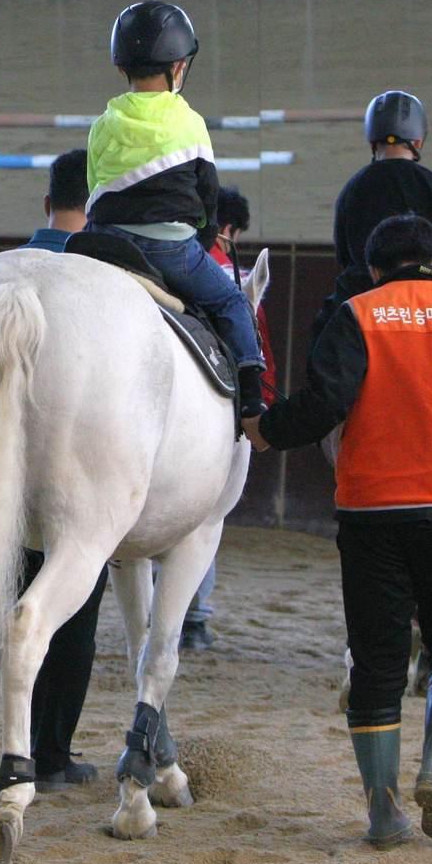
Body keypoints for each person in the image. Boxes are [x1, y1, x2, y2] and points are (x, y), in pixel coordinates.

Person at [244, 215, 432, 848]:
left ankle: (383, 812)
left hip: (372, 513)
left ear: (375, 268)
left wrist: (268, 430)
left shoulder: (359, 314)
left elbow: (326, 401)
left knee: (378, 663)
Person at [85, 0, 266, 419]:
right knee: (232, 304)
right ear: (178, 67)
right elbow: (207, 197)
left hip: (106, 244)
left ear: (121, 68)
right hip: (172, 252)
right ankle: (254, 401)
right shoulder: (190, 122)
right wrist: (202, 238)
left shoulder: (103, 124)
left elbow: (94, 191)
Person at [19, 148, 108, 788]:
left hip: (5, 479)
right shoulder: (101, 281)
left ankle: (6, 744)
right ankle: (50, 752)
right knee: (73, 608)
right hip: (77, 468)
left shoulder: (8, 269)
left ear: (47, 204)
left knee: (13, 598)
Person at [180, 185, 279, 652]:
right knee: (207, 513)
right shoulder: (234, 279)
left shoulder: (172, 267)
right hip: (220, 408)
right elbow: (258, 353)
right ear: (228, 229)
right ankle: (195, 617)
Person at [310, 90, 432, 347]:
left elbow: (345, 255)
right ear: (418, 141)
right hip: (430, 310)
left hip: (361, 304)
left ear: (373, 140)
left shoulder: (354, 188)